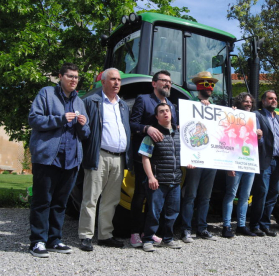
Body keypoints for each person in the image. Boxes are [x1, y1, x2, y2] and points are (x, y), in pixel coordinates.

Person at [28, 63, 90, 258]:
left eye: (76, 77)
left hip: (71, 160)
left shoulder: (80, 102)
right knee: (42, 201)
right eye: (70, 76)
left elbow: (85, 134)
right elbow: (34, 119)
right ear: (60, 77)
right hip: (48, 158)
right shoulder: (46, 94)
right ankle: (37, 241)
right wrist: (60, 119)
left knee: (60, 203)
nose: (74, 80)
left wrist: (82, 125)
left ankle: (54, 239)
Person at [78, 68, 133, 251]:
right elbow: (83, 129)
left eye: (118, 80)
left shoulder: (123, 105)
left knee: (111, 199)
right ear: (103, 82)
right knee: (91, 197)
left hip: (118, 159)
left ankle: (105, 235)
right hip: (99, 155)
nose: (117, 83)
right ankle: (86, 236)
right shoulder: (91, 102)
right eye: (113, 79)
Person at [129, 70, 177, 248]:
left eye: (169, 81)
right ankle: (134, 232)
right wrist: (146, 128)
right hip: (145, 157)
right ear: (154, 83)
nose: (167, 84)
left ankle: (148, 232)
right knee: (141, 195)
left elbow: (175, 127)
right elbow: (132, 123)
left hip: (164, 161)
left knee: (157, 199)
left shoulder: (171, 105)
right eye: (163, 81)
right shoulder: (143, 99)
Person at [139, 103, 195, 252]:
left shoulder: (180, 135)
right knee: (154, 213)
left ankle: (168, 239)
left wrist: (190, 162)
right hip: (157, 182)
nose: (165, 113)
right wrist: (151, 177)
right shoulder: (152, 136)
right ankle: (148, 239)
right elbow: (145, 158)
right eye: (161, 111)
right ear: (157, 116)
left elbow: (185, 154)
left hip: (175, 181)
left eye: (167, 111)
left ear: (171, 113)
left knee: (172, 213)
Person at [180, 71, 218, 243]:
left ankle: (202, 228)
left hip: (212, 159)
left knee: (206, 197)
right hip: (195, 157)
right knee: (191, 195)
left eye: (211, 84)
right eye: (205, 84)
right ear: (198, 86)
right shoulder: (189, 105)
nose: (209, 87)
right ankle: (186, 229)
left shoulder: (217, 108)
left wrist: (232, 112)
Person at [222, 92, 262, 238]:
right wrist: (228, 165)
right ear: (239, 102)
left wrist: (259, 136)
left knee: (245, 196)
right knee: (231, 194)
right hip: (234, 161)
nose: (249, 104)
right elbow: (226, 139)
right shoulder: (232, 115)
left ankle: (241, 226)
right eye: (246, 102)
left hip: (249, 161)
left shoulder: (254, 119)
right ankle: (226, 226)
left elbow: (258, 143)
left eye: (250, 102)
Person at [250, 90, 279, 237]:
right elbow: (256, 137)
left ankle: (265, 225)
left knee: (273, 193)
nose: (274, 101)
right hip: (264, 159)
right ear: (264, 101)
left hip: (277, 161)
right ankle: (255, 225)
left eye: (275, 99)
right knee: (261, 193)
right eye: (270, 98)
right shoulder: (257, 115)